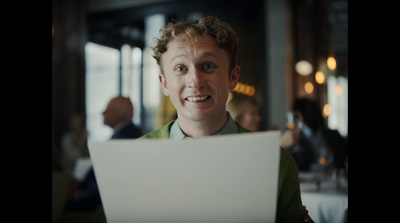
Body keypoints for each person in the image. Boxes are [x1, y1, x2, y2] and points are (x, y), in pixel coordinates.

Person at [138, 16, 304, 222]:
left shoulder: (276, 162)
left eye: (208, 66)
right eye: (181, 68)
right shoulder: (136, 157)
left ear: (233, 77)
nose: (195, 81)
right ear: (164, 84)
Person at [280, 97, 348, 172]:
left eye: (315, 109)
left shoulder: (334, 135)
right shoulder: (294, 138)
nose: (314, 113)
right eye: (310, 110)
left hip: (334, 180)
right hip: (308, 181)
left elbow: (342, 161)